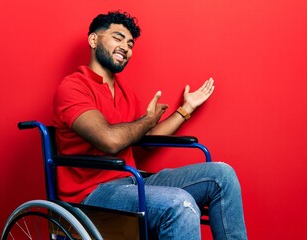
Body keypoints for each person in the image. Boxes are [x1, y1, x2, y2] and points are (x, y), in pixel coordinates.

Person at [53, 10, 247, 239]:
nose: (125, 47)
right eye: (117, 38)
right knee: (180, 204)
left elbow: (147, 140)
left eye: (130, 43)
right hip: (93, 194)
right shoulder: (73, 87)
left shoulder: (126, 93)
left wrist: (185, 110)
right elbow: (110, 140)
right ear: (93, 40)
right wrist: (147, 120)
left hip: (131, 180)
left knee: (222, 175)